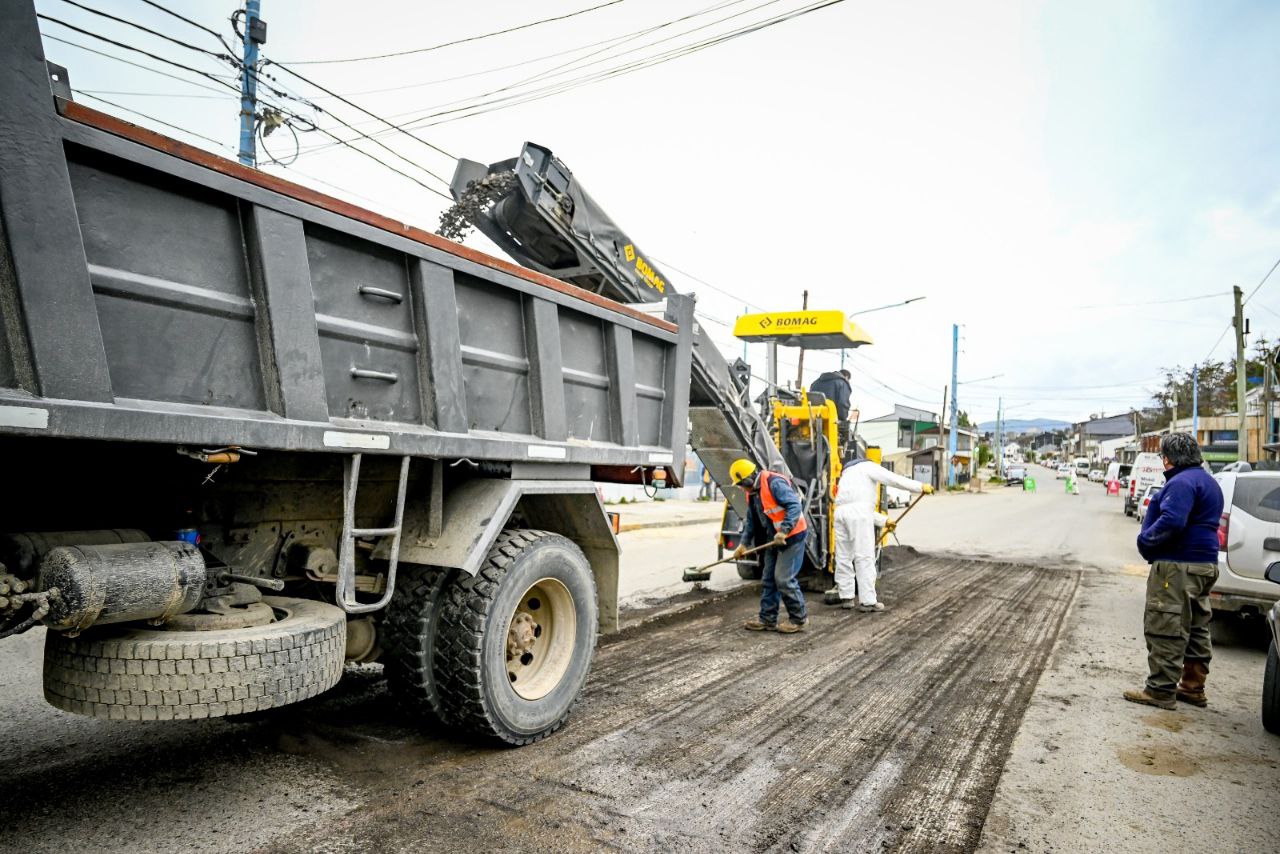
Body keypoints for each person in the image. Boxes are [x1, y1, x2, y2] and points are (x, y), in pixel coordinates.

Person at [1124, 433, 1223, 710]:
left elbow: (1172, 520)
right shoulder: (1208, 481)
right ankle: (1192, 687)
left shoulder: (1181, 482)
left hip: (1178, 565)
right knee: (1195, 626)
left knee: (1166, 624)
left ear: (1167, 458)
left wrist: (1145, 541)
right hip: (1204, 564)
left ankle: (1160, 690)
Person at [830, 456, 932, 611]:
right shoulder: (868, 467)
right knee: (864, 555)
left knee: (843, 556)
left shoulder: (846, 474)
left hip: (840, 514)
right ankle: (868, 601)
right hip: (858, 514)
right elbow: (893, 479)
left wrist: (884, 521)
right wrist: (920, 486)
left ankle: (846, 597)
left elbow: (855, 507)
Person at [729, 458, 809, 633]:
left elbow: (794, 506)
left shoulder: (774, 483)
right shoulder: (752, 492)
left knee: (784, 579)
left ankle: (798, 619)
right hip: (773, 538)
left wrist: (785, 531)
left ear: (749, 479)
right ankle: (767, 619)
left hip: (793, 536)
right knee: (768, 579)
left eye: (742, 484)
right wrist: (743, 545)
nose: (741, 488)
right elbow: (751, 521)